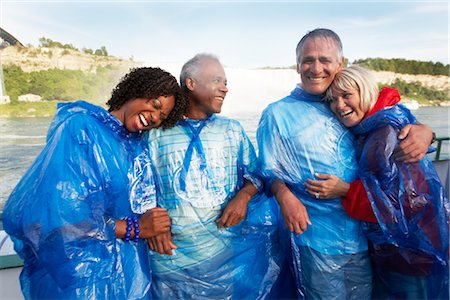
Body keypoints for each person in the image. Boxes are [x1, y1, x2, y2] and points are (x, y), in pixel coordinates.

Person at [256, 28, 434, 299]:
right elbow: (269, 169)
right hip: (316, 239)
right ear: (297, 65)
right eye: (308, 60)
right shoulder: (277, 114)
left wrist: (423, 129)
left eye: (325, 60)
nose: (316, 68)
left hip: (363, 238)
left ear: (340, 64)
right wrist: (284, 197)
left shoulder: (346, 105)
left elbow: (392, 120)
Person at [2, 67, 187, 298]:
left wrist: (157, 224)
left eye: (162, 118)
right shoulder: (81, 127)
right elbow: (61, 215)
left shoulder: (136, 145)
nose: (154, 117)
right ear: (136, 90)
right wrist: (137, 228)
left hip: (127, 273)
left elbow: (140, 199)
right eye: (155, 105)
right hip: (80, 274)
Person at [142, 53, 281, 299]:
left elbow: (257, 174)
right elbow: (138, 184)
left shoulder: (231, 130)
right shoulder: (156, 131)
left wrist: (244, 196)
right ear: (191, 82)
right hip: (169, 259)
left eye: (226, 82)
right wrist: (151, 220)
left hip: (222, 253)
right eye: (218, 80)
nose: (225, 89)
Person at [309, 65, 448, 299]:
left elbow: (405, 205)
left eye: (346, 95)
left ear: (364, 92)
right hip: (399, 252)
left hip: (412, 255)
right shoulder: (376, 125)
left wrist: (344, 190)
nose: (339, 106)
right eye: (332, 100)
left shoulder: (384, 133)